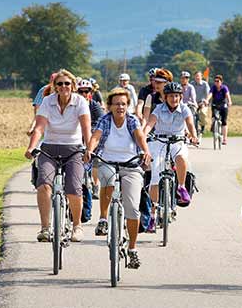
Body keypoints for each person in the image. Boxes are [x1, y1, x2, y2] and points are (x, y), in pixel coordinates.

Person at [84, 88, 152, 269]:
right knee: (107, 179)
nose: (120, 107)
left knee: (132, 208)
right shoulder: (105, 120)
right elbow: (96, 138)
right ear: (109, 106)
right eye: (116, 104)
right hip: (108, 161)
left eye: (123, 104)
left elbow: (139, 137)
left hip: (131, 164)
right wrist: (90, 150)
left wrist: (145, 151)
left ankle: (132, 249)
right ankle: (104, 218)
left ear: (127, 105)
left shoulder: (132, 120)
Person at [25, 69, 91, 243]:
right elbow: (39, 128)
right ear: (55, 87)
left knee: (74, 188)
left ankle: (77, 226)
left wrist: (89, 149)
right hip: (49, 149)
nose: (63, 87)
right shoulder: (47, 101)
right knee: (44, 185)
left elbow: (86, 129)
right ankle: (45, 228)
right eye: (60, 84)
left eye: (67, 83)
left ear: (73, 86)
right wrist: (31, 147)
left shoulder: (81, 102)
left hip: (73, 149)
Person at [142, 82, 199, 232]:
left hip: (177, 140)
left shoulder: (185, 109)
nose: (174, 98)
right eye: (171, 96)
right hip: (159, 141)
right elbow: (150, 123)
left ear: (180, 97)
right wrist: (143, 134)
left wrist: (193, 135)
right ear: (165, 97)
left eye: (176, 96)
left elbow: (190, 123)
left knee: (181, 157)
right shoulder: (159, 109)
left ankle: (181, 187)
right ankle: (152, 215)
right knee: (155, 176)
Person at [78, 78, 105, 198]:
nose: (84, 94)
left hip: (92, 133)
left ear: (91, 93)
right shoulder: (73, 105)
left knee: (95, 160)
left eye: (86, 91)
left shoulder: (94, 106)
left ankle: (95, 185)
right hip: (77, 133)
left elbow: (102, 122)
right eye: (81, 92)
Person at [207, 74, 233, 145]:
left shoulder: (224, 88)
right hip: (215, 104)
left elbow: (227, 95)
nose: (216, 82)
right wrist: (207, 100)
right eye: (215, 81)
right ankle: (214, 127)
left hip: (223, 105)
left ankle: (224, 139)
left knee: (224, 122)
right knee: (213, 118)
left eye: (218, 81)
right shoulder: (213, 88)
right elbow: (210, 94)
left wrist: (229, 102)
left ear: (221, 82)